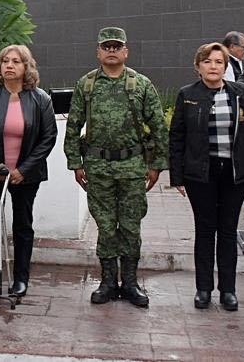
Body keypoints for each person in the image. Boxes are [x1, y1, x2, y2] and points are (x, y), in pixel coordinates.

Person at [64, 27, 168, 307]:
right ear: (98, 52)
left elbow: (158, 126)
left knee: (131, 226)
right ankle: (108, 282)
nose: (111, 50)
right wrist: (75, 163)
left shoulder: (141, 84)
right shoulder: (85, 85)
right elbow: (73, 127)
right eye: (106, 46)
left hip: (133, 167)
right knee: (106, 226)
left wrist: (157, 164)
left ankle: (131, 283)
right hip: (98, 168)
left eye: (116, 46)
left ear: (126, 51)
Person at [169, 42, 244, 311]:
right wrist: (177, 176)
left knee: (227, 231)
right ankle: (203, 289)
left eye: (219, 62)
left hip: (233, 175)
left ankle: (228, 290)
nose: (214, 67)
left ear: (226, 66)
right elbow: (177, 137)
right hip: (200, 175)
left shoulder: (240, 92)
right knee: (205, 230)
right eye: (208, 61)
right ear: (198, 66)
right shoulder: (187, 94)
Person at [0, 45, 57, 298]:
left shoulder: (41, 100)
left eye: (16, 61)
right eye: (5, 61)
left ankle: (20, 278)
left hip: (26, 176)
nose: (9, 65)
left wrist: (24, 170)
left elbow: (48, 138)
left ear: (26, 67)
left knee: (22, 224)